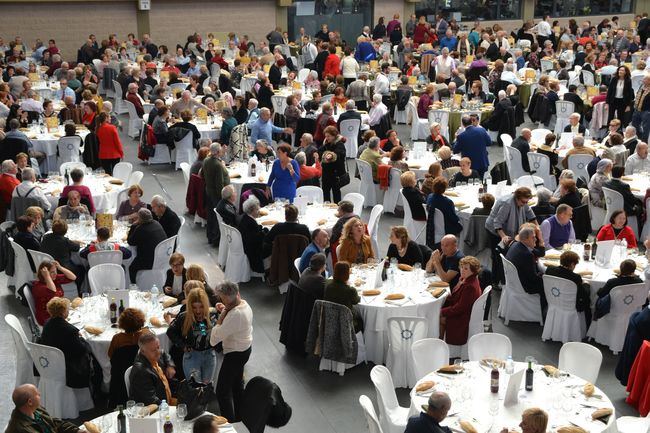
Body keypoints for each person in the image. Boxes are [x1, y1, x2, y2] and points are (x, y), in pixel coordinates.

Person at [209, 281, 253, 422]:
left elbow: (214, 339)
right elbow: (232, 312)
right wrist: (225, 309)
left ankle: (230, 423)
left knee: (222, 392)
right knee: (237, 386)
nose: (221, 300)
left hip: (235, 354)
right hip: (245, 349)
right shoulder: (243, 303)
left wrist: (221, 317)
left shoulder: (235, 315)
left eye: (222, 298)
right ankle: (241, 418)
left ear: (227, 299)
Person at [38, 297, 95, 388]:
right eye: (67, 309)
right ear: (63, 312)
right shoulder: (70, 331)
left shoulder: (47, 324)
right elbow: (82, 350)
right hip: (68, 367)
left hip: (50, 363)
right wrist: (82, 338)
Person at [167, 287, 216, 383]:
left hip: (209, 355)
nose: (198, 311)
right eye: (194, 307)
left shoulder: (213, 314)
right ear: (190, 306)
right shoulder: (184, 317)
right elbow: (170, 332)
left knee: (207, 388)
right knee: (194, 389)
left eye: (201, 307)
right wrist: (182, 345)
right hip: (192, 356)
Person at [439, 256, 482, 345]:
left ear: (473, 271)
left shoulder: (470, 286)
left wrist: (441, 312)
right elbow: (456, 296)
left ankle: (440, 344)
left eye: (466, 268)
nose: (462, 270)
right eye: (461, 267)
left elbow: (459, 308)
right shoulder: (467, 279)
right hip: (462, 312)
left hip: (462, 318)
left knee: (437, 318)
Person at [6, 384, 83, 433]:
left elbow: (55, 423)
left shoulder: (36, 410)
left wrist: (76, 431)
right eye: (37, 394)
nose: (40, 394)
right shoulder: (22, 428)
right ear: (30, 402)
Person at [545, 250, 592, 325]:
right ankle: (588, 325)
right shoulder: (575, 277)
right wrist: (586, 285)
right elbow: (583, 296)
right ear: (572, 264)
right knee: (587, 300)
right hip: (571, 305)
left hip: (554, 301)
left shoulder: (550, 270)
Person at [505, 225, 546, 310]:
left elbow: (540, 253)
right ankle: (543, 311)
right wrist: (546, 277)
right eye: (533, 237)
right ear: (525, 239)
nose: (536, 240)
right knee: (549, 284)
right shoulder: (526, 254)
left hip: (514, 282)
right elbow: (533, 278)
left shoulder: (516, 244)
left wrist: (541, 240)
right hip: (524, 285)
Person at [129, 332, 177, 405]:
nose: (158, 352)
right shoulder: (140, 372)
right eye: (153, 350)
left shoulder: (153, 354)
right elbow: (151, 400)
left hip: (168, 398)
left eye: (158, 347)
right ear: (143, 351)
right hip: (156, 409)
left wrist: (170, 365)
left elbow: (163, 353)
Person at [127, 208, 168, 283]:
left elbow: (130, 242)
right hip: (162, 257)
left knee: (131, 268)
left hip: (150, 261)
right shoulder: (157, 223)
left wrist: (133, 226)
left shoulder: (141, 229)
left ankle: (133, 286)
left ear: (140, 219)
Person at [41, 220, 84, 289]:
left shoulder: (46, 237)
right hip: (62, 268)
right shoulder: (65, 241)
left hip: (47, 266)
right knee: (82, 269)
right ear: (65, 231)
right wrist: (75, 242)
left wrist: (70, 241)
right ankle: (79, 290)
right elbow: (76, 248)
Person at [31, 260, 76, 326]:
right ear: (44, 274)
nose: (55, 274)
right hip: (48, 318)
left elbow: (73, 277)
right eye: (52, 272)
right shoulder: (38, 287)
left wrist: (60, 267)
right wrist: (47, 276)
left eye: (55, 271)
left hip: (59, 311)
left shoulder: (54, 279)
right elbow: (52, 291)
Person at [203, 142, 230, 245]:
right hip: (216, 195)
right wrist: (223, 198)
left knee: (210, 216)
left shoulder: (206, 160)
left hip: (208, 192)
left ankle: (210, 237)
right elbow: (219, 184)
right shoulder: (217, 165)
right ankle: (216, 239)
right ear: (218, 152)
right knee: (217, 217)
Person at [324, 261, 362, 332]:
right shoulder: (350, 290)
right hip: (347, 323)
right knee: (363, 320)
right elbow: (357, 300)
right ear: (347, 274)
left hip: (330, 320)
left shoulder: (327, 284)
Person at [426, 177, 463, 246]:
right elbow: (454, 219)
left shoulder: (430, 197)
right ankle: (461, 246)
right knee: (462, 225)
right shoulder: (447, 202)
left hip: (432, 226)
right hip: (445, 228)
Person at [238, 196, 269, 273]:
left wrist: (260, 228)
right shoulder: (251, 222)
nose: (259, 211)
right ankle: (269, 268)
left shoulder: (245, 218)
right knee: (274, 245)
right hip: (253, 250)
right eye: (257, 209)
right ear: (251, 210)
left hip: (245, 245)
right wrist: (264, 232)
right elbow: (256, 239)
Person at [320, 125, 347, 203]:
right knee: (325, 191)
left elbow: (338, 154)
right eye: (326, 136)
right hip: (326, 172)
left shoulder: (340, 144)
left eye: (328, 136)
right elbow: (320, 150)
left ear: (334, 136)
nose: (326, 138)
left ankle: (337, 208)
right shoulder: (326, 144)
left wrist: (331, 155)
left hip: (335, 173)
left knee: (336, 192)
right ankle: (326, 206)